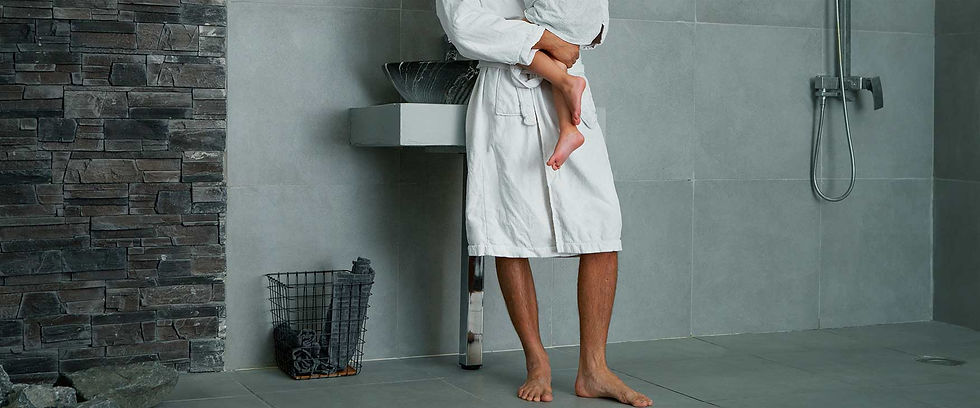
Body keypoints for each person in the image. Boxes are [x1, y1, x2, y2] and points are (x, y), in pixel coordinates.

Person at [437, 0, 652, 406]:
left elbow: (585, 28)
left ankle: (595, 369)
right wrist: (543, 37)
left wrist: (541, 34)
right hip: (505, 92)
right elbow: (463, 27)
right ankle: (537, 363)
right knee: (508, 230)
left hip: (570, 83)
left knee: (601, 225)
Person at [520, 0, 606, 170]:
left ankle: (567, 83)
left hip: (562, 10)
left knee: (517, 36)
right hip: (589, 17)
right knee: (556, 57)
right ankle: (568, 129)